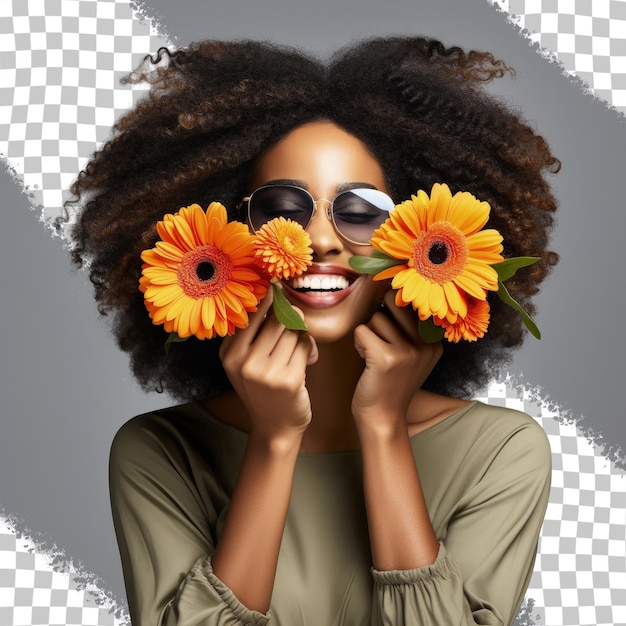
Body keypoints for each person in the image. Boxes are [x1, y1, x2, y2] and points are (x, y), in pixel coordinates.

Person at [68, 37, 559, 626]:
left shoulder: (500, 454)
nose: (321, 239)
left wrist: (382, 429)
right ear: (225, 234)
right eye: (282, 207)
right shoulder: (161, 454)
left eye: (360, 210)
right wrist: (275, 442)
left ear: (424, 236)